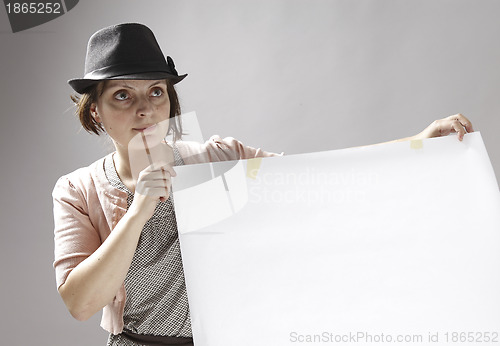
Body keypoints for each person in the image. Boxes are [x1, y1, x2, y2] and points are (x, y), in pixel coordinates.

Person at [52, 23, 474, 346]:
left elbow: (317, 176)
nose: (145, 109)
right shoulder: (77, 190)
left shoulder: (216, 158)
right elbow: (80, 303)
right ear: (95, 114)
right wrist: (140, 208)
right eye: (123, 95)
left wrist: (417, 144)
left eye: (157, 92)